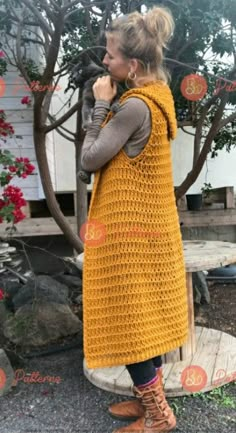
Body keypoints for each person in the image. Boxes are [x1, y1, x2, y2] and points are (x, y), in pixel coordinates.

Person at [81, 5, 188, 433]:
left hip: (129, 236)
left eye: (110, 56)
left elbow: (91, 159)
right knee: (146, 321)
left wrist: (100, 104)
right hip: (152, 232)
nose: (105, 62)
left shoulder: (132, 108)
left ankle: (159, 415)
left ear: (134, 64)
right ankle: (149, 402)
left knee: (130, 323)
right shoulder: (160, 97)